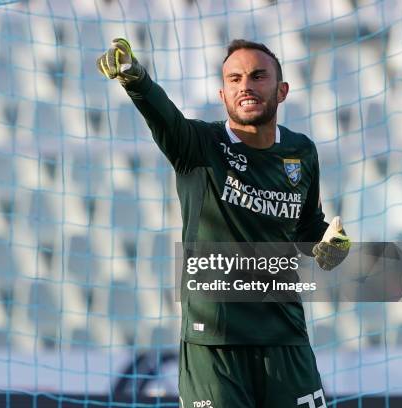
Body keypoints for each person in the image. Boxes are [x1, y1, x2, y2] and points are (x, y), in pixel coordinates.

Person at [97, 38, 351, 407]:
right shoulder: (198, 144)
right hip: (214, 344)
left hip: (284, 337)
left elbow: (307, 225)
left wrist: (330, 246)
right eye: (234, 79)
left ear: (282, 91)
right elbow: (162, 114)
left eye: (257, 76)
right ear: (222, 93)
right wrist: (135, 79)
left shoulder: (301, 151)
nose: (245, 85)